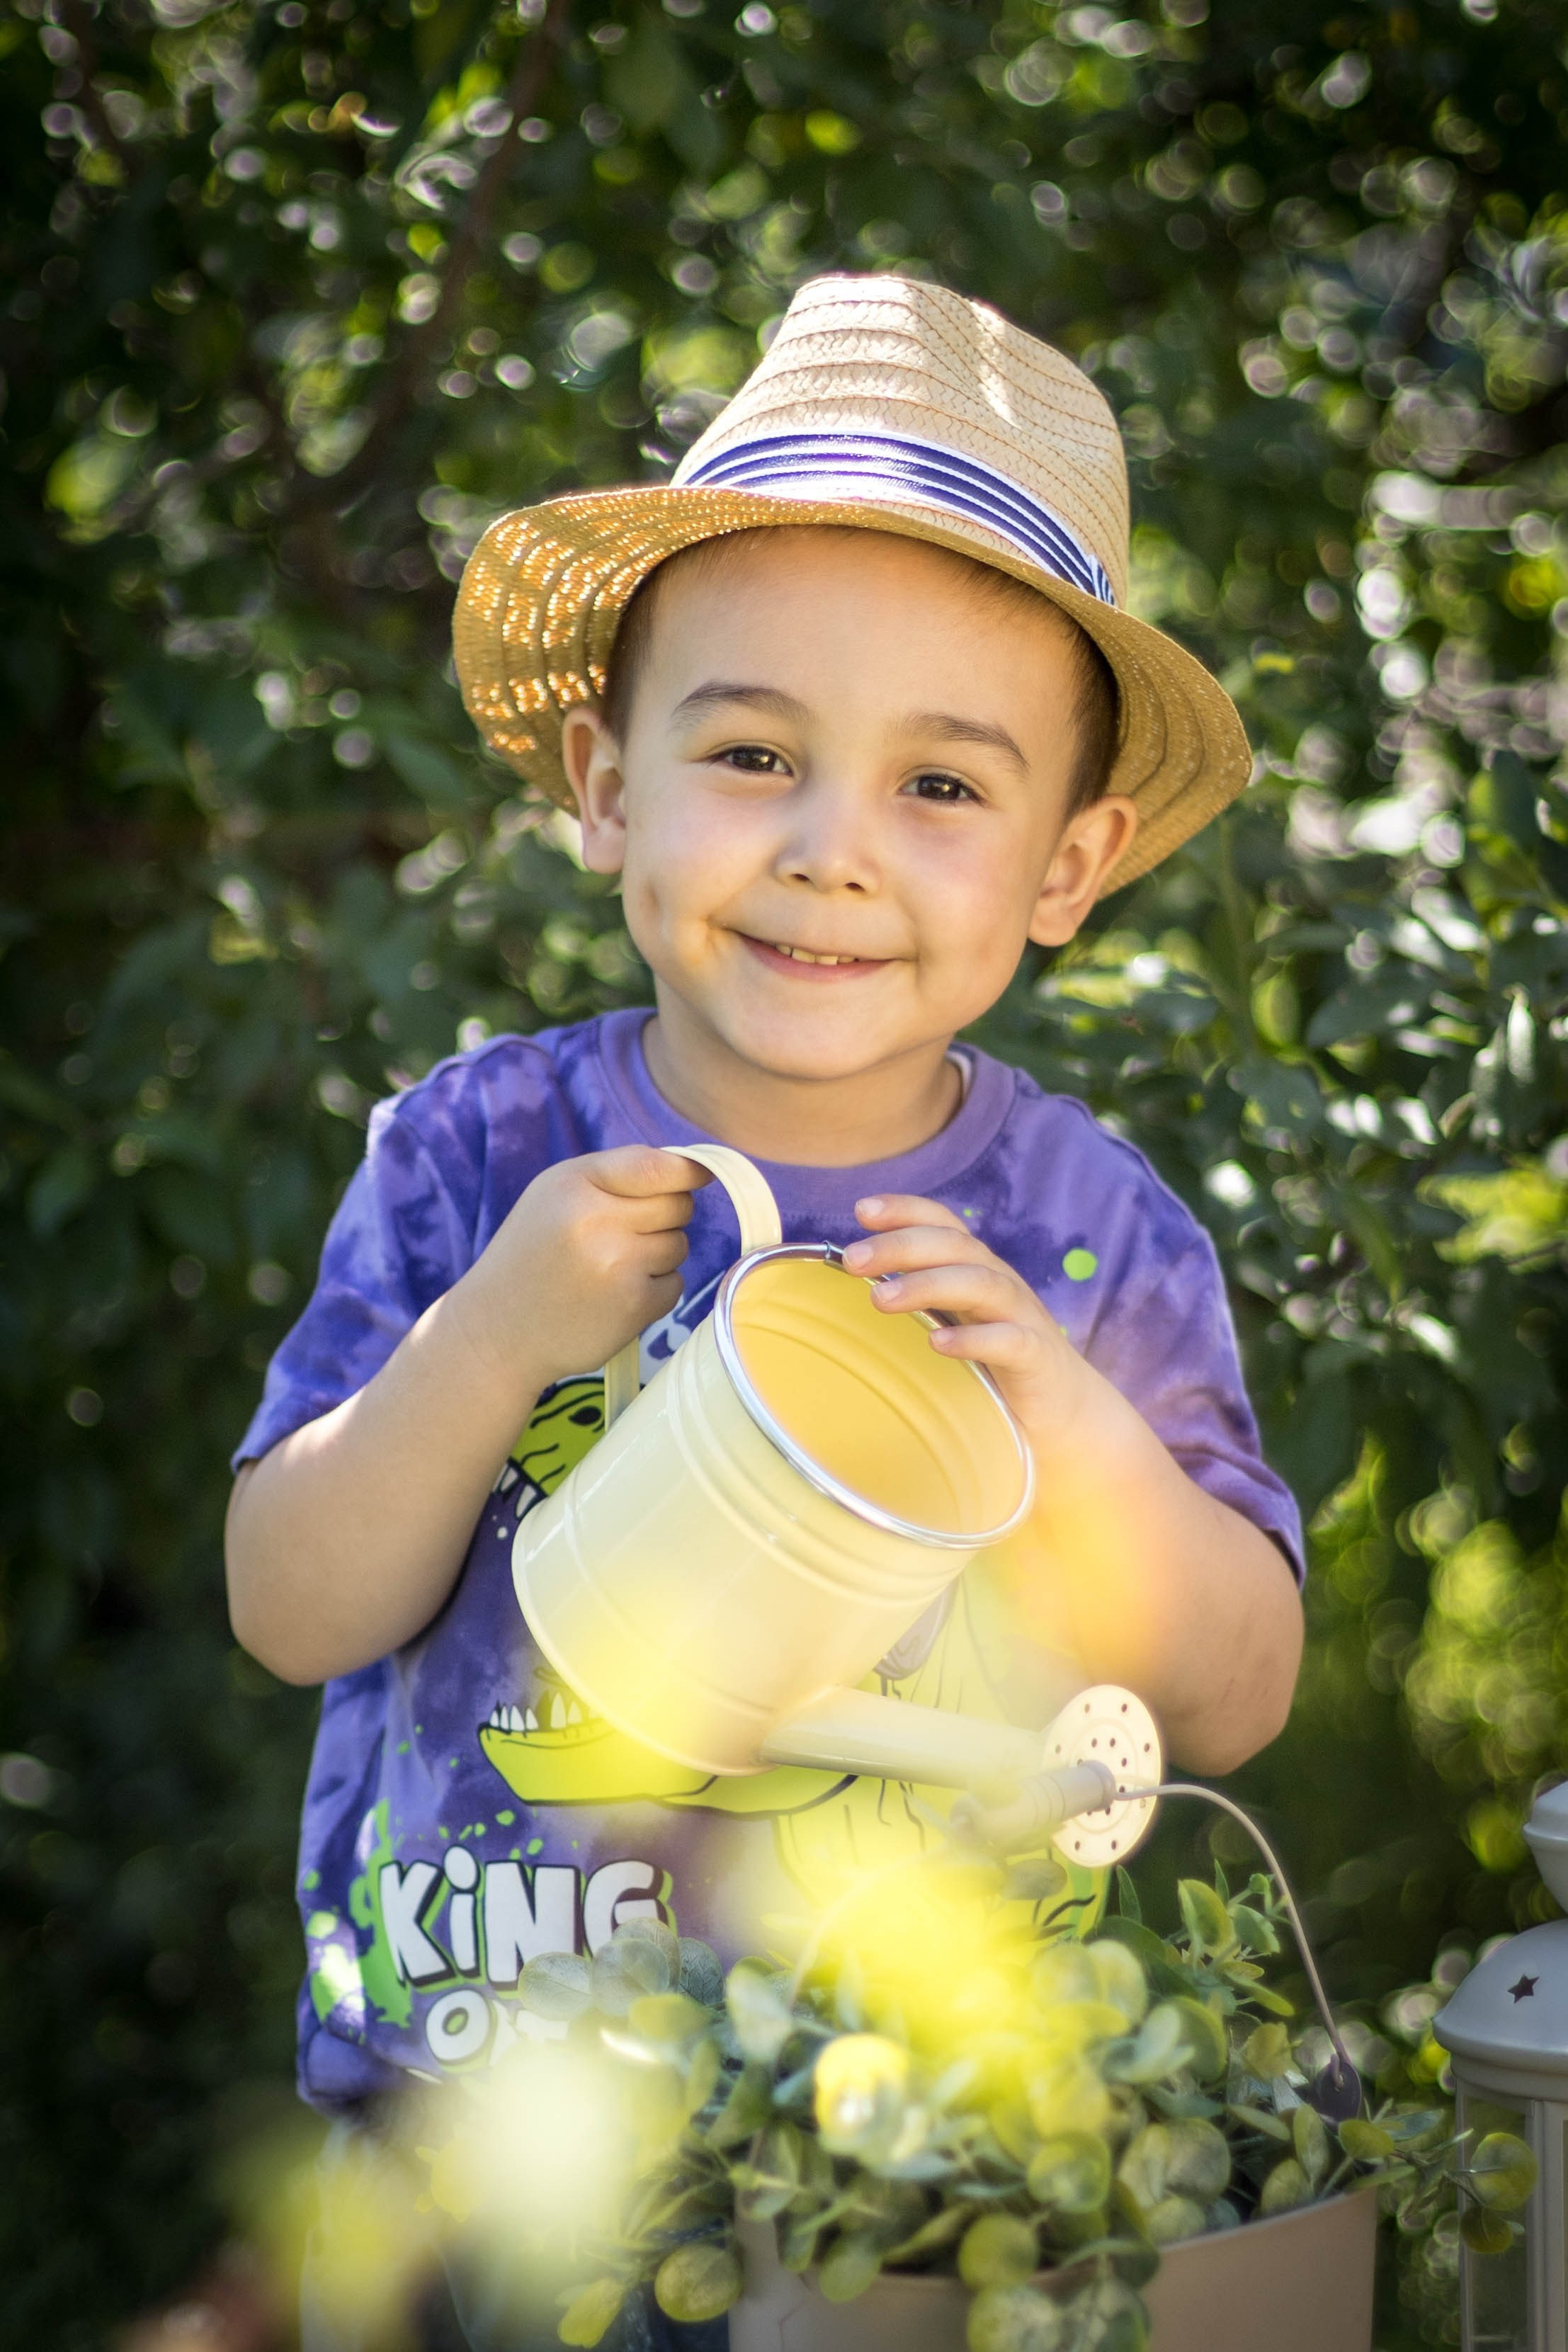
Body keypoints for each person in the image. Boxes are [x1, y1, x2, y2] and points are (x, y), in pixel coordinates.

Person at [225, 274, 1304, 2341]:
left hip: (915, 2191)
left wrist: (1075, 1429)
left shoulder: (1087, 1232)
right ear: (608, 782)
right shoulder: (479, 1160)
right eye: (753, 752)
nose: (830, 852)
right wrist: (494, 1338)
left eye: (942, 788)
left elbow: (1236, 1697)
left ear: (1069, 865)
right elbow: (291, 1602)